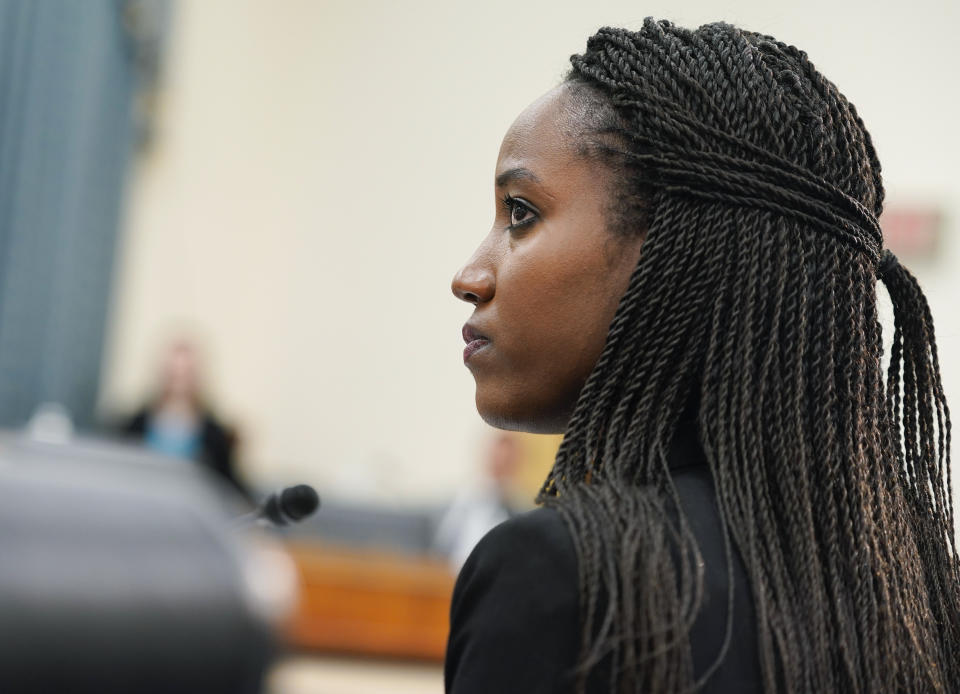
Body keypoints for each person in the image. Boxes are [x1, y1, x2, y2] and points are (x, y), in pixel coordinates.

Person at [446, 19, 959, 694]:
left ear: (672, 250)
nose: (470, 276)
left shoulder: (564, 572)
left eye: (520, 213)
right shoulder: (922, 589)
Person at [120, 338, 248, 499]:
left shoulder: (214, 435)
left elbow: (231, 487)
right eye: (173, 374)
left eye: (186, 374)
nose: (179, 382)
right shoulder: (135, 425)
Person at [433, 432, 525, 571]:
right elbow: (443, 544)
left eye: (505, 462)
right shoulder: (464, 498)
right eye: (496, 459)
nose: (499, 467)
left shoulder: (518, 509)